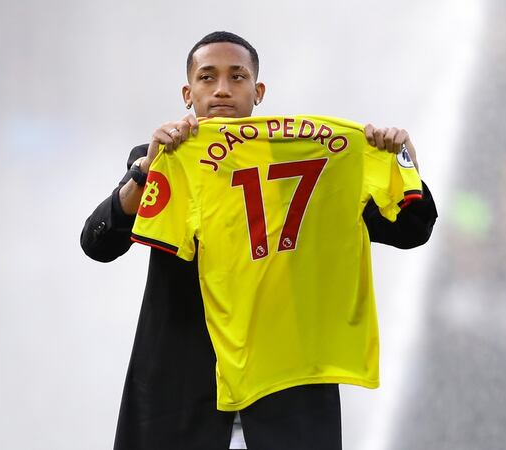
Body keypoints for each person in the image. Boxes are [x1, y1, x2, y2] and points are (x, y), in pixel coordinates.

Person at [81, 31, 438, 450]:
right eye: (207, 77)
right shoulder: (166, 157)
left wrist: (403, 161)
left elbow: (412, 230)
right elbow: (98, 243)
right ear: (187, 91)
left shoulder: (312, 157)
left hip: (288, 395)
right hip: (183, 396)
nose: (222, 90)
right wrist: (146, 170)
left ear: (258, 90)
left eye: (237, 77)